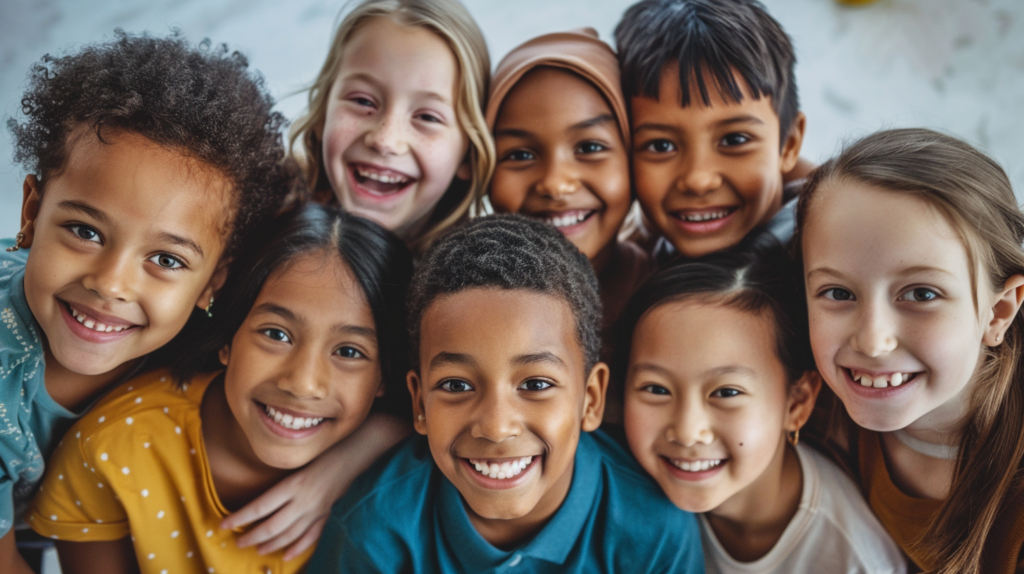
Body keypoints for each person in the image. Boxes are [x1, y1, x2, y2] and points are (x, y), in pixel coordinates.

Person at [0, 29, 296, 573]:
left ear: (212, 283)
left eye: (166, 260)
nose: (111, 284)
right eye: (85, 232)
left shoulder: (217, 335)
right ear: (31, 212)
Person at [28, 204, 413, 574]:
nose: (303, 383)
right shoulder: (112, 449)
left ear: (385, 376)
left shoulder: (414, 471)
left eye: (349, 351)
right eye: (276, 334)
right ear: (227, 338)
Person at [309, 215, 704, 573]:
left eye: (535, 385)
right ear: (419, 403)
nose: (497, 427)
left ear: (592, 397)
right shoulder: (375, 532)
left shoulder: (654, 531)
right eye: (456, 385)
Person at [797, 128, 1024, 574]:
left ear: (997, 313)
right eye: (838, 293)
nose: (873, 341)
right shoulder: (809, 408)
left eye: (921, 294)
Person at [615, 244, 905, 573]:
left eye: (726, 392)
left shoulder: (854, 560)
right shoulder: (619, 497)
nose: (686, 431)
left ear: (796, 402)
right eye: (656, 389)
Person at [486, 28, 650, 356]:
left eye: (589, 147)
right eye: (519, 154)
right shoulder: (458, 302)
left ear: (633, 156)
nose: (555, 184)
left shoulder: (666, 292)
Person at [289, 0, 495, 255]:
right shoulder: (257, 227)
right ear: (322, 115)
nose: (385, 140)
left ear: (468, 155)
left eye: (428, 117)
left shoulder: (472, 285)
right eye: (362, 101)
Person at [614, 0, 807, 263]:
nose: (698, 180)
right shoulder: (635, 263)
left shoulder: (827, 255)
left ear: (790, 144)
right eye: (661, 146)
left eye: (734, 140)